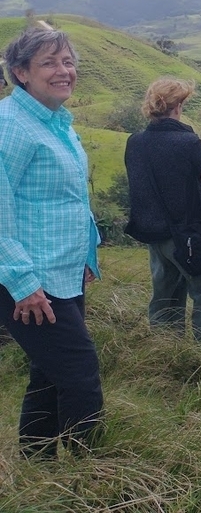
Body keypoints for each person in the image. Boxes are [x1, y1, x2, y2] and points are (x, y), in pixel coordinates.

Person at [0, 26, 104, 458]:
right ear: (21, 73)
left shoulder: (57, 122)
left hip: (62, 272)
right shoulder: (11, 126)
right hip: (30, 280)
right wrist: (22, 281)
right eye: (49, 62)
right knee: (81, 376)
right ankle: (90, 476)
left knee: (48, 373)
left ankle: (37, 465)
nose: (64, 71)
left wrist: (87, 252)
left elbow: (69, 197)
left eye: (67, 61)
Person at [124, 77, 201, 350]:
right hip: (189, 235)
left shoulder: (135, 142)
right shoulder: (187, 142)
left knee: (165, 298)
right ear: (179, 104)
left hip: (154, 235)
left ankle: (164, 355)